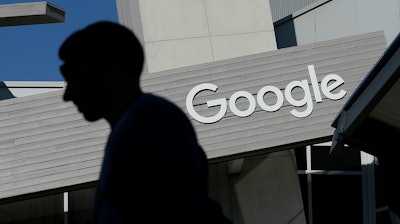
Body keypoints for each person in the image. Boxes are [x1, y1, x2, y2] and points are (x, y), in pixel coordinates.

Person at [58, 21, 233, 224]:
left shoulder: (152, 119)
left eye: (73, 76)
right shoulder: (140, 123)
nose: (67, 94)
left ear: (105, 63)